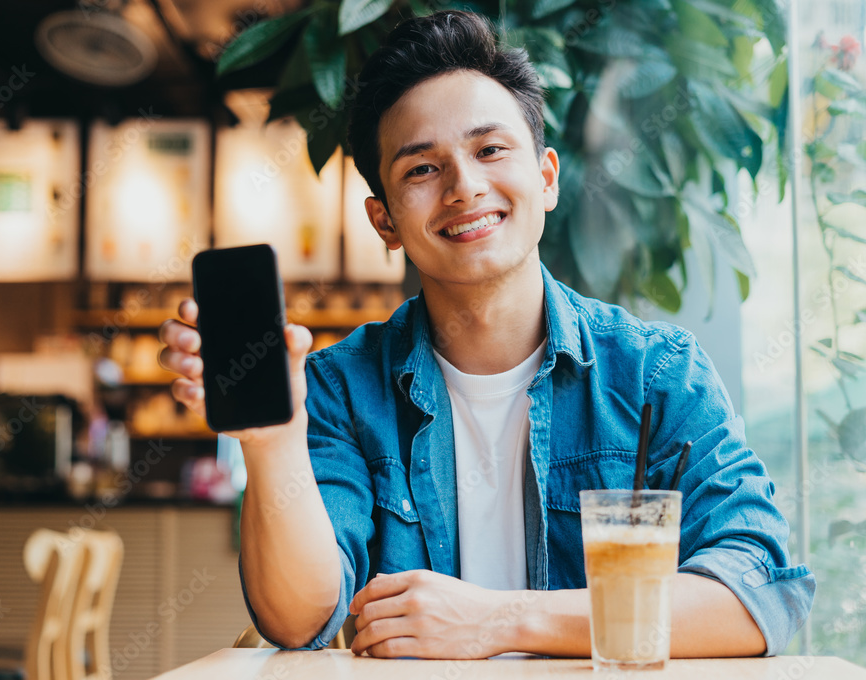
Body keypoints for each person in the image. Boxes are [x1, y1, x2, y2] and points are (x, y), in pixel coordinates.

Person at [158, 10, 814, 659]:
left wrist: (501, 620)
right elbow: (299, 618)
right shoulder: (342, 390)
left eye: (490, 150)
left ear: (547, 176)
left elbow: (759, 594)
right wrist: (274, 442)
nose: (465, 188)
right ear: (384, 221)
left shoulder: (656, 374)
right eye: (421, 169)